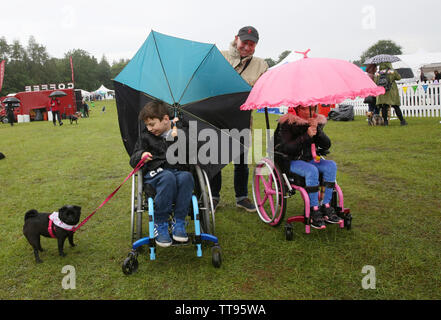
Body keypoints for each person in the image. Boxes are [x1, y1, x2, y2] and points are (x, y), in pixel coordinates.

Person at [210, 26, 269, 213]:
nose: (247, 47)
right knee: (214, 160)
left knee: (241, 161)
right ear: (236, 39)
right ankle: (213, 196)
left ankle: (241, 197)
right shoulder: (219, 56)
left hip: (243, 120)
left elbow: (263, 91)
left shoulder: (261, 65)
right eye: (245, 42)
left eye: (252, 44)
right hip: (217, 118)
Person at [129, 101, 194, 247]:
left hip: (178, 171)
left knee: (187, 177)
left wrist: (178, 136)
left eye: (152, 124)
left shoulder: (180, 131)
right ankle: (160, 223)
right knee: (167, 177)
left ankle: (179, 222)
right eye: (147, 125)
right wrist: (141, 154)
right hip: (155, 175)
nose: (149, 128)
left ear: (166, 119)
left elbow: (192, 154)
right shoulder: (146, 137)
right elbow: (133, 159)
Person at [274, 106, 342, 229]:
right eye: (304, 109)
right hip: (292, 161)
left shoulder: (314, 121)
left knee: (331, 166)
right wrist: (306, 135)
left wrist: (318, 131)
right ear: (296, 109)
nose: (308, 112)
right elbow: (287, 148)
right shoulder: (287, 123)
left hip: (311, 159)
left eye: (311, 108)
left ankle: (326, 206)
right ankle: (313, 210)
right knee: (312, 170)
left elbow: (327, 145)